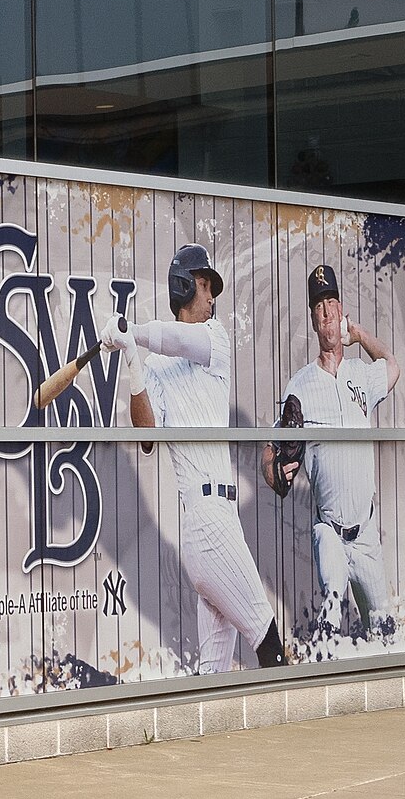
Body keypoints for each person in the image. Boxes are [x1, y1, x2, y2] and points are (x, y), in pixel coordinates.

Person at [106, 243, 289, 672]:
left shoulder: (214, 339)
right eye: (205, 286)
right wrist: (133, 359)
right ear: (186, 285)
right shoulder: (155, 366)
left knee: (211, 674)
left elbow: (173, 340)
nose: (211, 298)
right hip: (205, 519)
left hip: (218, 519)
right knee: (267, 637)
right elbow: (147, 435)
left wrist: (133, 332)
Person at [267, 262, 400, 641]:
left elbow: (392, 365)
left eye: (330, 303)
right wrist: (274, 471)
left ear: (341, 310)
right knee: (333, 601)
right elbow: (270, 452)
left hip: (367, 532)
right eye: (318, 307)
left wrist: (360, 334)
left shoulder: (362, 374)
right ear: (313, 319)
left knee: (385, 633)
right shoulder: (300, 387)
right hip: (330, 532)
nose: (325, 313)